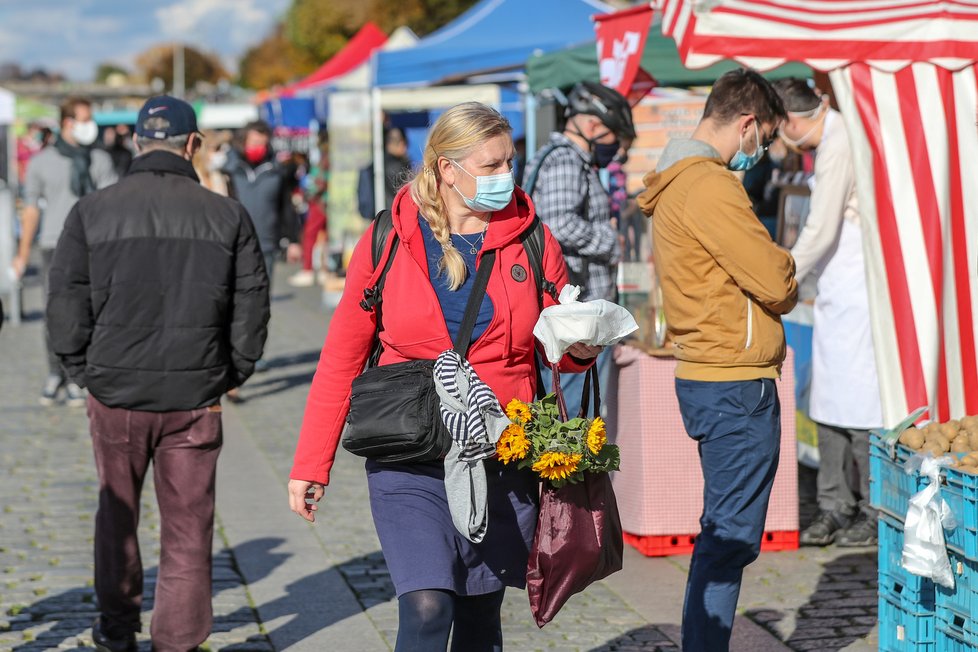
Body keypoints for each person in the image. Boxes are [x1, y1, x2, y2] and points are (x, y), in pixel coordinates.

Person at [288, 102, 600, 652]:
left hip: (500, 451)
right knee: (428, 607)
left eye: (510, 162)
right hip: (407, 450)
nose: (507, 177)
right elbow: (342, 354)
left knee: (480, 620)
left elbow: (558, 349)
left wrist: (580, 347)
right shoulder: (388, 238)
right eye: (491, 166)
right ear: (446, 170)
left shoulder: (532, 239)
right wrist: (312, 463)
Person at [45, 95, 270, 652]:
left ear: (139, 142)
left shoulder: (92, 211)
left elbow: (64, 302)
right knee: (190, 530)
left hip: (116, 393)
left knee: (117, 516)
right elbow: (253, 307)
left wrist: (81, 371)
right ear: (192, 145)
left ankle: (117, 630)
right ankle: (177, 642)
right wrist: (230, 371)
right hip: (194, 395)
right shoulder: (225, 214)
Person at [637, 68, 798, 652]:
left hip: (713, 374)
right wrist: (785, 265)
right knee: (729, 539)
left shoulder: (683, 180)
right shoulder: (708, 184)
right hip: (734, 381)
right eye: (767, 137)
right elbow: (775, 280)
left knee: (723, 533)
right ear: (748, 123)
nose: (764, 151)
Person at [774, 78, 883, 548]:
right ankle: (834, 504)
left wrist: (782, 272)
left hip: (858, 282)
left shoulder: (839, 140)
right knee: (827, 399)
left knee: (861, 403)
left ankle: (874, 508)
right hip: (836, 287)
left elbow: (819, 227)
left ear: (792, 122)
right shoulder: (831, 138)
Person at [522, 80, 634, 418]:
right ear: (593, 125)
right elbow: (558, 224)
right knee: (571, 417)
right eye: (613, 136)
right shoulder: (566, 161)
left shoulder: (562, 159)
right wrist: (610, 240)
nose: (616, 148)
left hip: (572, 318)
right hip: (572, 321)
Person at [14, 96, 117, 407]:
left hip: (94, 245)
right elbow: (30, 210)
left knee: (91, 310)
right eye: (85, 119)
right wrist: (21, 254)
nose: (91, 126)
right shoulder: (41, 162)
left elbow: (113, 205)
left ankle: (80, 376)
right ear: (68, 123)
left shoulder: (100, 159)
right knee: (55, 313)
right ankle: (55, 372)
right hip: (54, 244)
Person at [223, 120, 301, 286]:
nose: (259, 147)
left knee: (263, 296)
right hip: (236, 242)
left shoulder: (275, 171)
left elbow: (286, 207)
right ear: (244, 142)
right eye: (255, 142)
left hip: (266, 243)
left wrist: (293, 240)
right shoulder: (230, 170)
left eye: (263, 144)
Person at [289, 132, 329, 287]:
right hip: (324, 203)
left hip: (320, 203)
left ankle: (309, 269)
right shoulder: (326, 158)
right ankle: (324, 269)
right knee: (324, 237)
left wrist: (307, 195)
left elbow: (320, 182)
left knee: (310, 235)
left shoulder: (326, 159)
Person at [357, 126, 414, 218]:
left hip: (381, 218)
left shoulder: (378, 164)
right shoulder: (396, 166)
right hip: (394, 217)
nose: (405, 148)